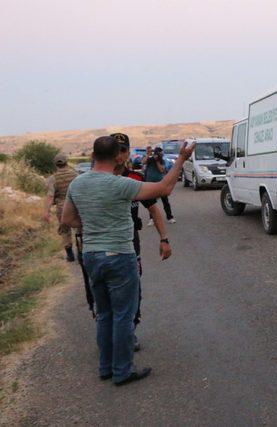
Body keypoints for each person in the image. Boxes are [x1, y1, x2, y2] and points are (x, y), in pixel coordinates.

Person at [62, 136, 194, 386]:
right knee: (123, 314)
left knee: (104, 313)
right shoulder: (120, 184)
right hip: (119, 255)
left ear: (93, 154)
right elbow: (164, 188)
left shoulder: (77, 184)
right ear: (117, 157)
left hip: (91, 255)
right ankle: (122, 370)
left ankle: (105, 367)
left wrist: (94, 226)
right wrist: (182, 159)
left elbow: (67, 219)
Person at [111, 133, 172, 351]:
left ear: (128, 152)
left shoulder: (135, 180)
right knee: (105, 296)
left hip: (130, 246)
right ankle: (111, 333)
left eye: (123, 150)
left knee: (133, 289)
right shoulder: (95, 179)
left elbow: (154, 209)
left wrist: (164, 238)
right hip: (101, 250)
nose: (119, 155)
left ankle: (129, 331)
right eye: (114, 150)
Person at [43, 153, 78, 262]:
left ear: (55, 164)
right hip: (77, 206)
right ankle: (81, 252)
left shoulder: (52, 179)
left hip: (62, 208)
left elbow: (50, 196)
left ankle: (70, 255)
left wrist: (46, 212)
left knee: (65, 231)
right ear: (66, 162)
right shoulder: (75, 175)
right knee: (80, 229)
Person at [144, 146, 176, 225]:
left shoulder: (161, 161)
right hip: (150, 184)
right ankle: (152, 219)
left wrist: (157, 161)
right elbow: (143, 161)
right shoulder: (150, 159)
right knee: (151, 202)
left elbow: (161, 170)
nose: (160, 155)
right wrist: (148, 154)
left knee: (165, 201)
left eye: (161, 154)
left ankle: (170, 217)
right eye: (159, 153)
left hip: (161, 184)